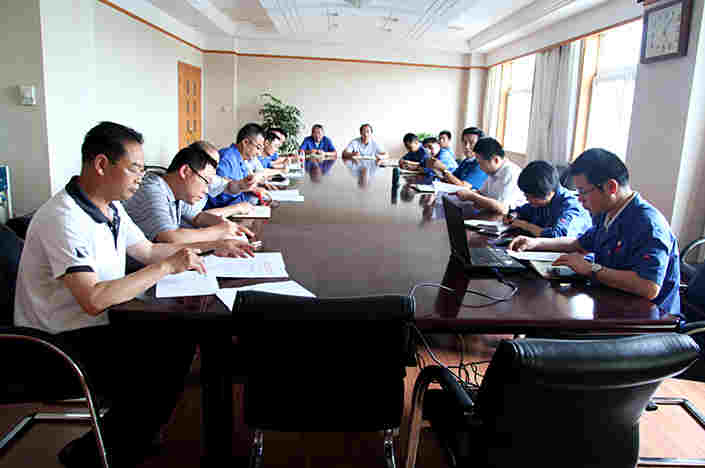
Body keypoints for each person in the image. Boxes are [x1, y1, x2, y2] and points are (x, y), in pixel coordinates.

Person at [13, 121, 253, 467]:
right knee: (163, 361)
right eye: (135, 169)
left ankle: (123, 438)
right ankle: (99, 452)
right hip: (57, 345)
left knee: (178, 343)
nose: (142, 178)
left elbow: (147, 250)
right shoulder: (64, 218)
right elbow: (93, 299)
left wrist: (212, 248)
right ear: (101, 164)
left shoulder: (110, 207)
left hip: (99, 325)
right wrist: (167, 267)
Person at [509, 148, 680, 317]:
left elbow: (649, 287)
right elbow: (578, 243)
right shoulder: (607, 212)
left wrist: (591, 269)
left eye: (583, 191)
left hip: (647, 320)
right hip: (611, 301)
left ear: (611, 187)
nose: (579, 198)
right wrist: (535, 243)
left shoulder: (648, 224)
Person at [123, 145, 254, 243]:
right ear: (185, 171)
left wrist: (227, 225)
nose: (207, 190)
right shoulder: (152, 189)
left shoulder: (175, 191)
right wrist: (219, 231)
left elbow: (197, 217)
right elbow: (170, 238)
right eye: (206, 182)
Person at [505, 160, 592, 238]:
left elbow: (557, 236)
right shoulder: (540, 202)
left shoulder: (571, 206)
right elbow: (520, 212)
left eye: (529, 197)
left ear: (549, 193)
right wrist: (512, 216)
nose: (527, 200)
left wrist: (525, 225)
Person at [453, 137, 525, 214]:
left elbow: (502, 208)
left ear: (496, 160)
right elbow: (482, 193)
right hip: (492, 214)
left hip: (509, 217)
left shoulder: (511, 173)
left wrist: (472, 196)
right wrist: (469, 192)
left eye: (481, 163)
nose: (480, 167)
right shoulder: (493, 172)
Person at [206, 123, 269, 209]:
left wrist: (253, 188)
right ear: (245, 142)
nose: (259, 153)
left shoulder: (242, 160)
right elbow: (218, 191)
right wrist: (251, 189)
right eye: (258, 148)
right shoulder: (227, 158)